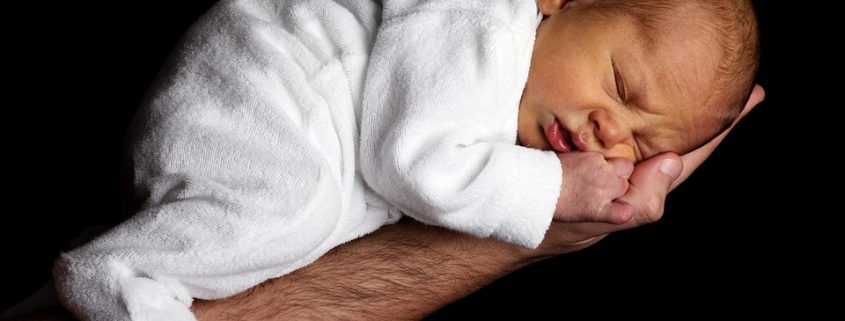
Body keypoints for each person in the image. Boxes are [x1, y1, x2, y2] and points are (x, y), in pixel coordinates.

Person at [48, 0, 759, 320]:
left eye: (643, 144)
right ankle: (118, 274)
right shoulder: (479, 21)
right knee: (289, 212)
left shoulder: (517, 72)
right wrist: (551, 190)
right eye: (621, 86)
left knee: (290, 237)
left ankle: (142, 258)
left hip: (281, 120)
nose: (611, 134)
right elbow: (411, 160)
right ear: (558, 1)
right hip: (262, 94)